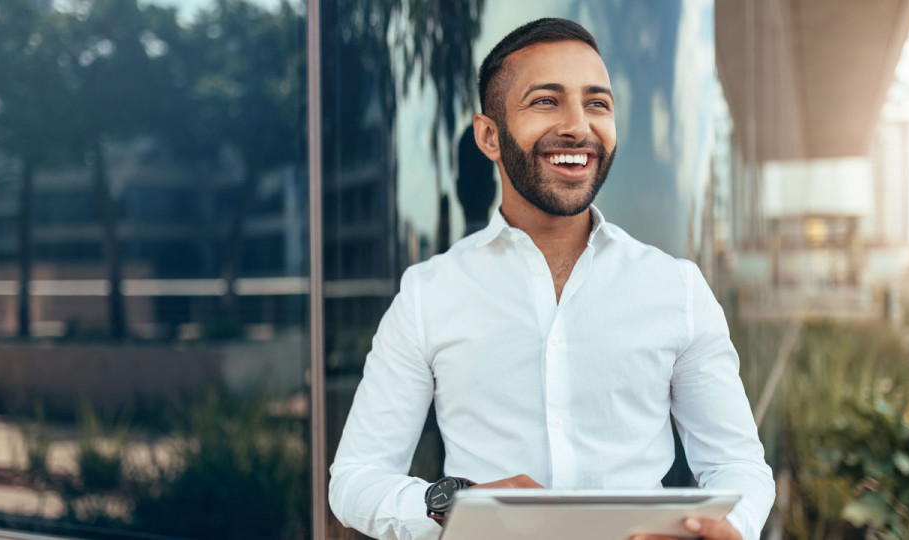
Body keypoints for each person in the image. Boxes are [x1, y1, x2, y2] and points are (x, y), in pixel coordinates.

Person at [329, 18, 775, 540]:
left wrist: (731, 528)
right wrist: (458, 502)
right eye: (546, 101)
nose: (578, 126)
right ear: (489, 136)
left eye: (597, 103)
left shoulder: (677, 289)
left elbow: (739, 465)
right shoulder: (428, 295)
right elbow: (355, 480)